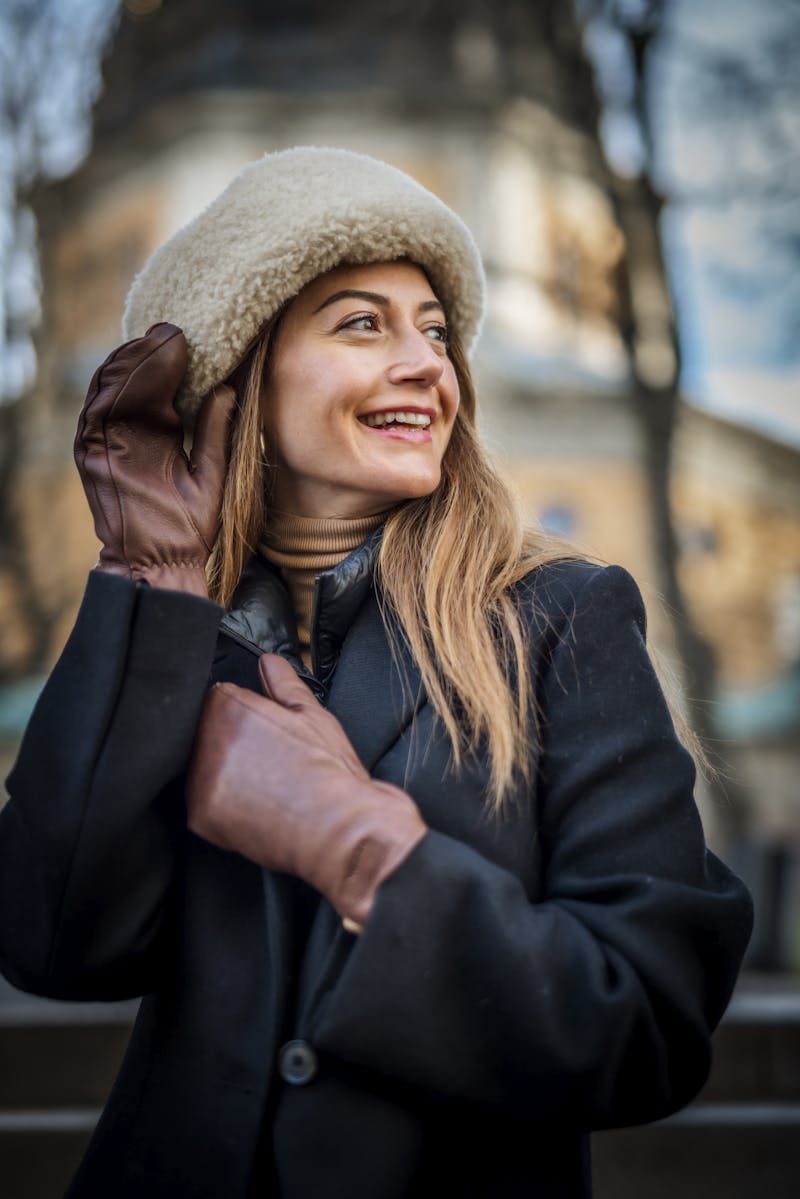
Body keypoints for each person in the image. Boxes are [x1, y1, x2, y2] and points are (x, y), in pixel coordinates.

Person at [0, 146, 752, 1199]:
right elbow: (54, 940)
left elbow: (645, 1019)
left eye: (435, 331)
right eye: (362, 323)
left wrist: (358, 847)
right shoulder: (175, 639)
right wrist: (149, 578)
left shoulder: (558, 621)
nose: (426, 364)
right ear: (241, 377)